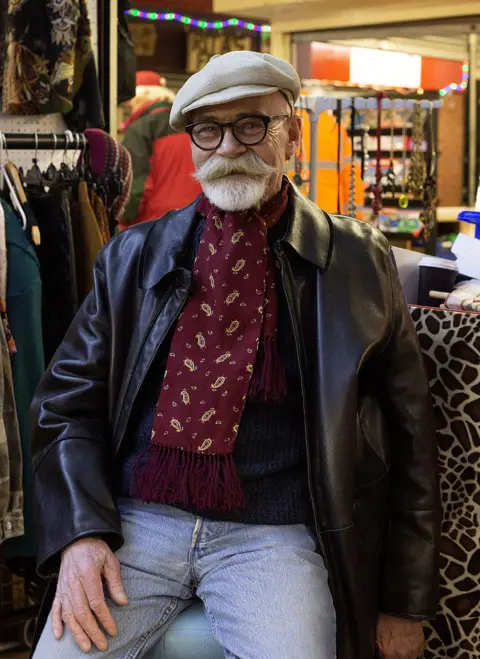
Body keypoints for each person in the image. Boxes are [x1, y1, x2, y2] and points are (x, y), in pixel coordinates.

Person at [30, 51, 440, 659]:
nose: (228, 148)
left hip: (275, 536)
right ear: (190, 142)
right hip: (136, 526)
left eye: (252, 126)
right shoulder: (134, 256)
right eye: (208, 130)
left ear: (292, 133)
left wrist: (405, 601)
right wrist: (80, 534)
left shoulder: (356, 262)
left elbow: (410, 438)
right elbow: (65, 405)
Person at [120, 70, 201, 230]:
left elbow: (136, 187)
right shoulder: (194, 125)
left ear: (142, 97)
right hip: (196, 218)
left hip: (153, 227)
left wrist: (122, 215)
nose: (129, 107)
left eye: (131, 102)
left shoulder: (140, 129)